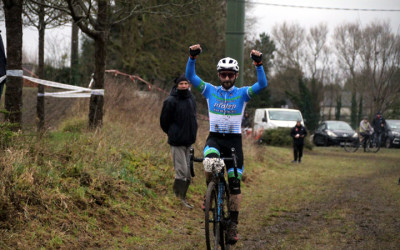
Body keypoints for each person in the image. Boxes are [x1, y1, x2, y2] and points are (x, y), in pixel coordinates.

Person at [185, 44, 267, 245]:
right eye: (223, 75)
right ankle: (210, 193)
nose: (227, 78)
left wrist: (258, 64)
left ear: (236, 76)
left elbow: (262, 84)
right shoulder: (210, 91)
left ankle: (233, 225)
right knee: (209, 162)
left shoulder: (243, 94)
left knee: (235, 183)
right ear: (219, 75)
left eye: (231, 75)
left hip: (233, 142)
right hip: (215, 138)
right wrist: (192, 57)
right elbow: (190, 76)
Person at [160, 74, 198, 209]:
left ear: (189, 85)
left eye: (186, 84)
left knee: (188, 173)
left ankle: (183, 198)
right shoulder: (170, 101)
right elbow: (164, 122)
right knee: (181, 171)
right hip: (177, 141)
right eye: (181, 84)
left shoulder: (191, 99)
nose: (183, 86)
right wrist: (172, 133)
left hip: (189, 141)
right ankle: (177, 201)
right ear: (177, 85)